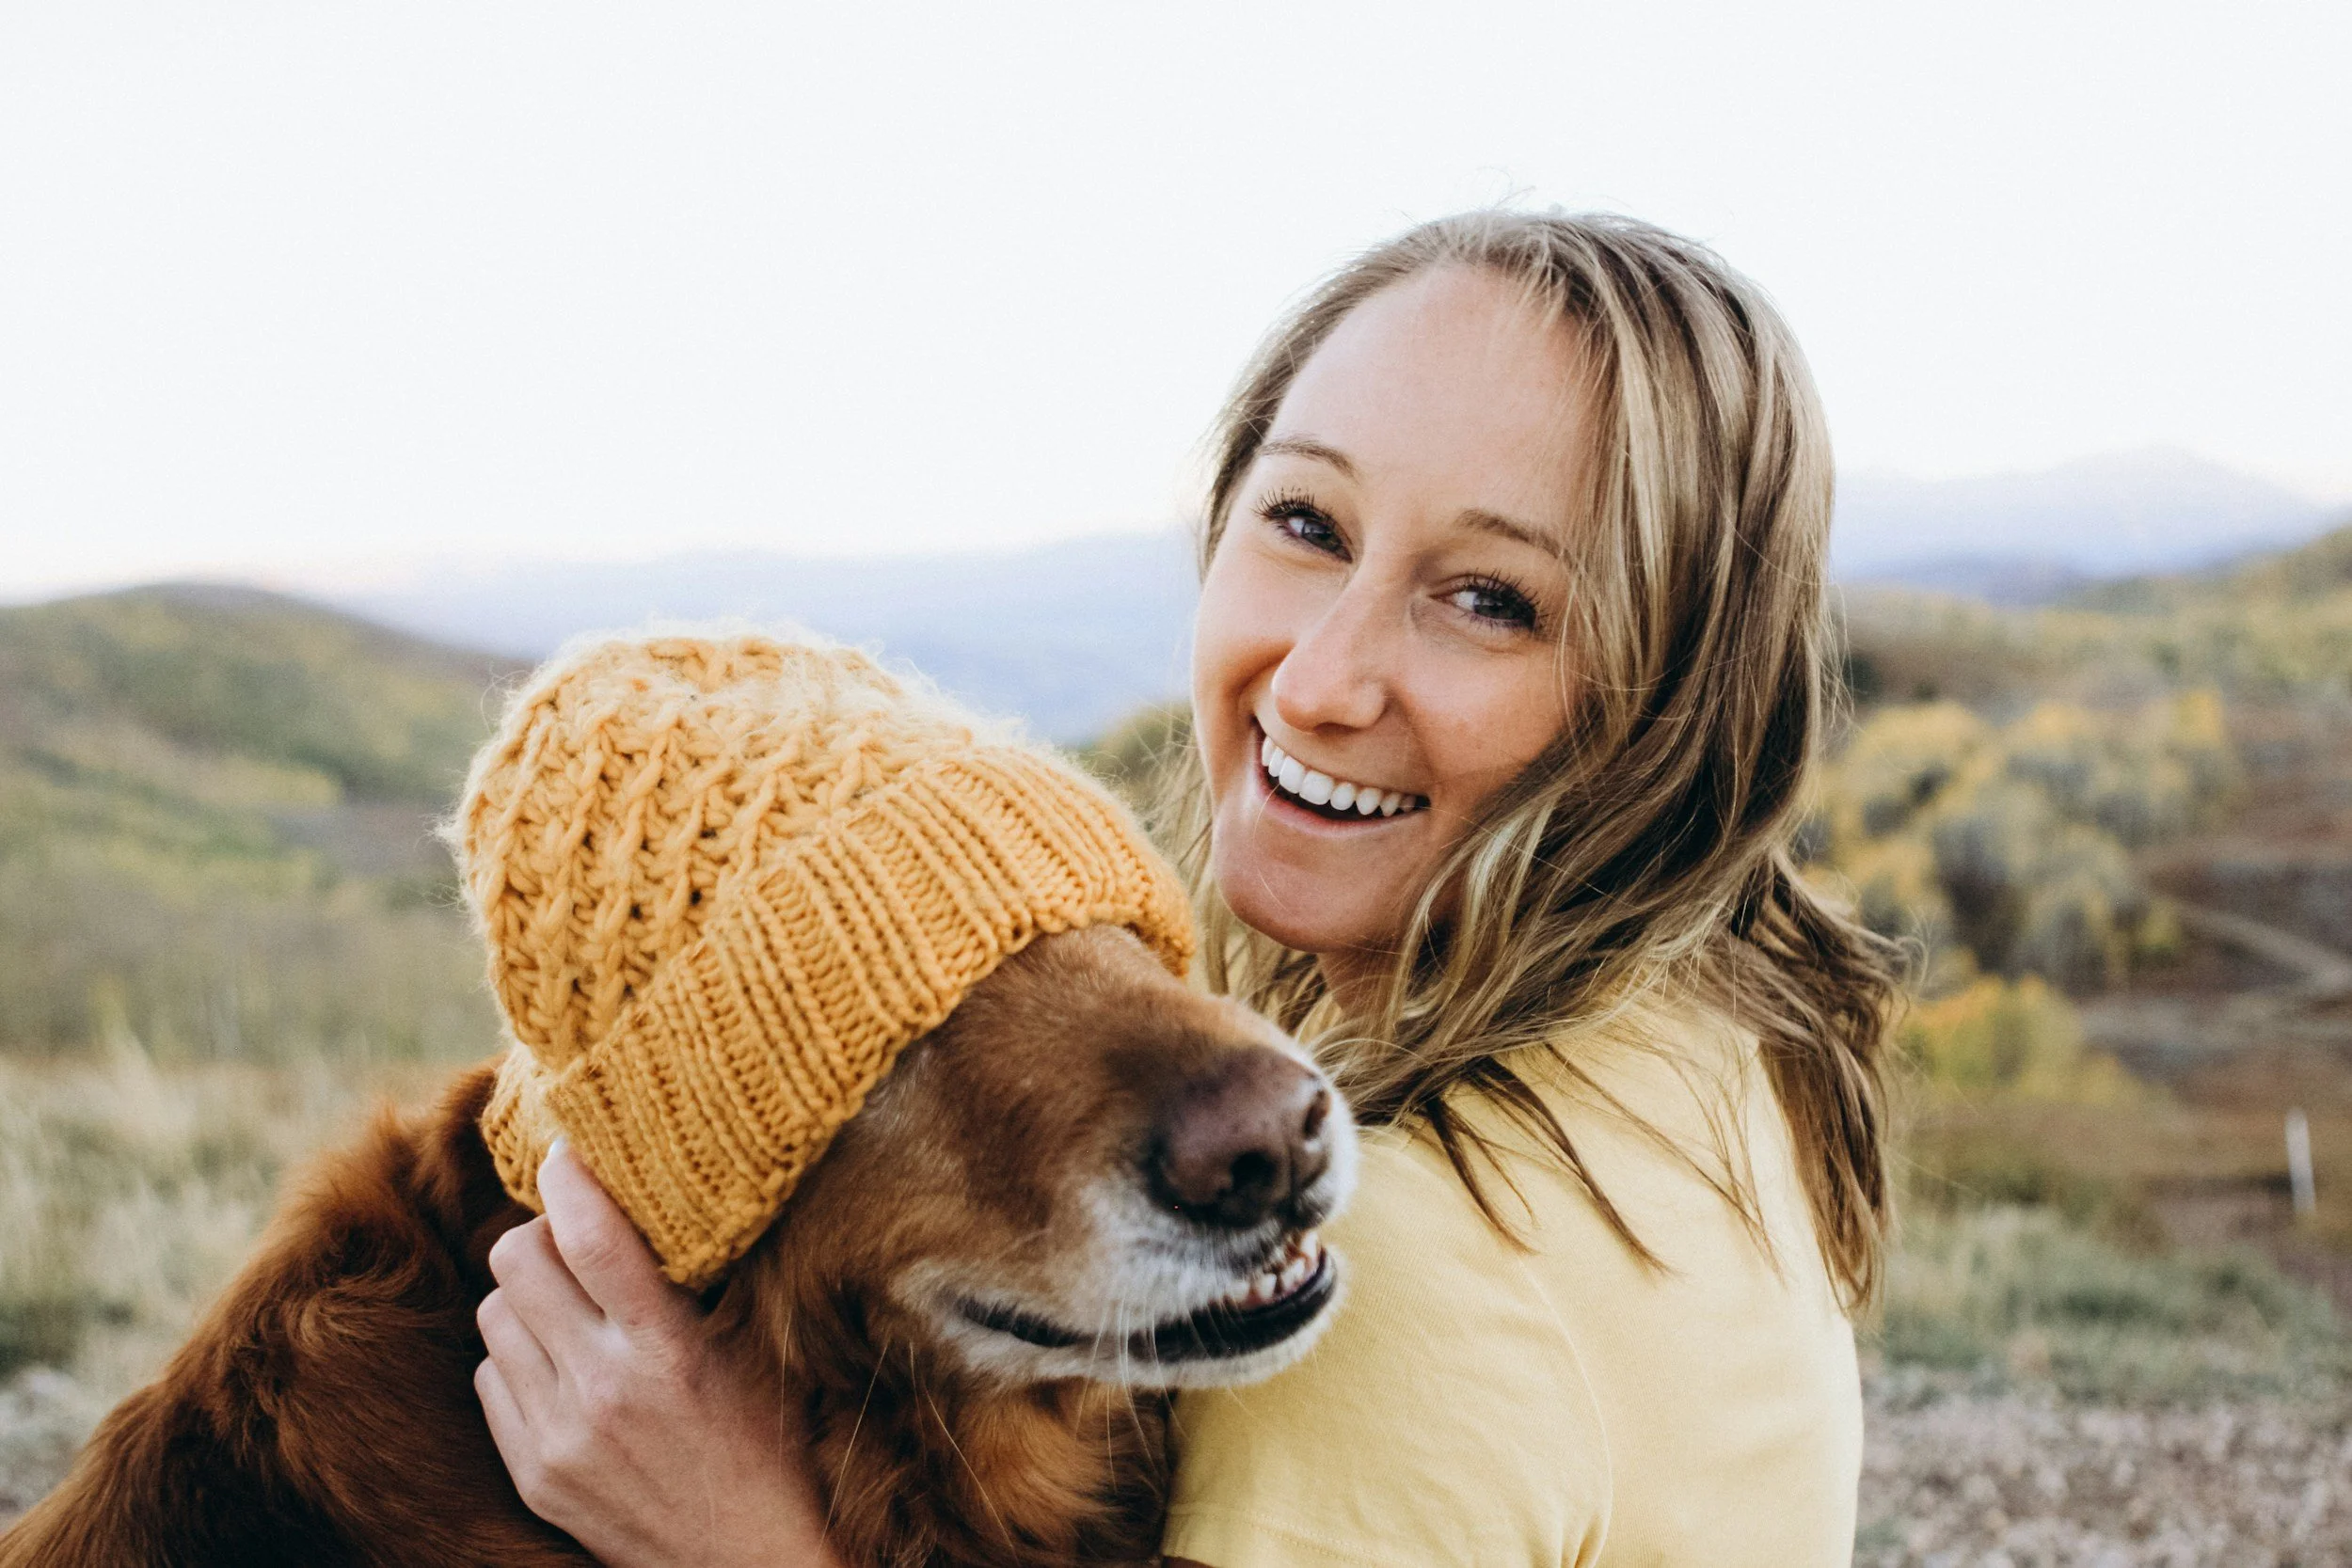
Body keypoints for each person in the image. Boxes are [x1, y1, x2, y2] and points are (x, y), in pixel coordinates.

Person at [472, 210, 1904, 1566]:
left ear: (1676, 710)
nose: (1322, 678)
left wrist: (749, 1543)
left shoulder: (1400, 1274)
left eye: (1493, 600)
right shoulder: (1718, 1059)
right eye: (1306, 522)